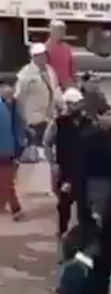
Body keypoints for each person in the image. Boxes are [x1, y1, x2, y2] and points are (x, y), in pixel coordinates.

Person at [45, 87, 91, 235]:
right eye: (73, 104)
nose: (76, 106)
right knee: (64, 205)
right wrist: (52, 163)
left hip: (84, 170)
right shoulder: (58, 123)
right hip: (65, 170)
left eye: (78, 103)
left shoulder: (87, 122)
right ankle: (63, 232)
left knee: (85, 205)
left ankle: (85, 234)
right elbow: (47, 142)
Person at [15, 43, 62, 155]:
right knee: (37, 153)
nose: (43, 57)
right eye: (39, 55)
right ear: (33, 57)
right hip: (34, 121)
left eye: (44, 54)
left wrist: (61, 108)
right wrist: (23, 121)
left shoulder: (50, 70)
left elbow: (55, 89)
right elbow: (18, 98)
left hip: (49, 119)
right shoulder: (25, 74)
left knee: (49, 151)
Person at [0, 79, 25, 221]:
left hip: (7, 150)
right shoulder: (6, 106)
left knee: (5, 180)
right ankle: (14, 208)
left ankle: (15, 208)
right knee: (5, 180)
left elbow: (18, 126)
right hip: (7, 149)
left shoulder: (12, 105)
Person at [46, 20, 75, 89]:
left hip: (66, 85)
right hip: (52, 85)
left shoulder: (66, 47)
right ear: (52, 31)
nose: (62, 32)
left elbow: (71, 67)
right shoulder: (45, 48)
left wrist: (73, 81)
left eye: (63, 30)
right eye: (59, 29)